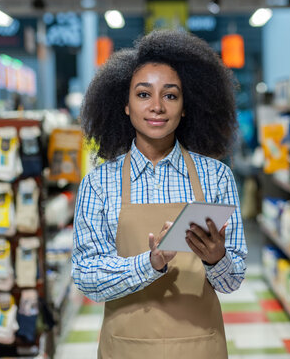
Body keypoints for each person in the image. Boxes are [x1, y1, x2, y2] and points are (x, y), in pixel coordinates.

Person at [72, 30, 247, 359]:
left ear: (185, 107)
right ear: (124, 106)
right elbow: (86, 277)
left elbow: (232, 281)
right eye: (143, 95)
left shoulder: (216, 177)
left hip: (200, 347)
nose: (156, 107)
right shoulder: (98, 183)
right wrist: (150, 263)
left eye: (170, 95)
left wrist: (216, 259)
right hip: (126, 349)